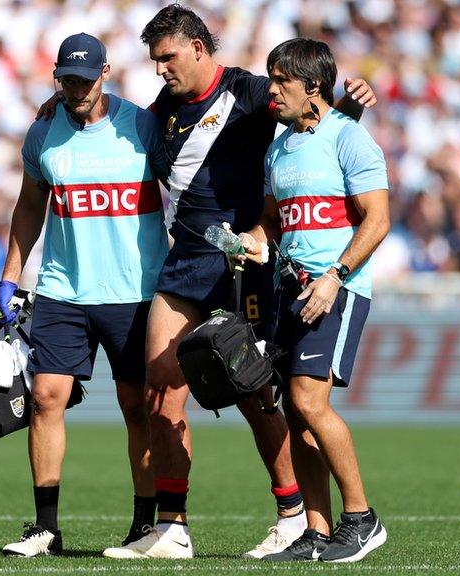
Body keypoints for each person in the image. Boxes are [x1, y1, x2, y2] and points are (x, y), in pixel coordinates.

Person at [100, 4, 378, 560]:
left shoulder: (252, 92)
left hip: (247, 265)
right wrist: (60, 102)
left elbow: (314, 132)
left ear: (199, 48)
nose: (160, 69)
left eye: (168, 57)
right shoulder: (160, 114)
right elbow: (107, 125)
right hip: (186, 267)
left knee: (257, 396)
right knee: (160, 390)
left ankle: (293, 515)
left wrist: (349, 106)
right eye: (155, 60)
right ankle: (172, 528)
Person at [0, 32, 170, 557]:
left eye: (85, 79)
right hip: (61, 288)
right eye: (67, 79)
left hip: (135, 290)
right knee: (46, 397)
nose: (76, 89)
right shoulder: (43, 132)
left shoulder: (142, 125)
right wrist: (10, 277)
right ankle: (45, 528)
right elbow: (29, 207)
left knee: (136, 406)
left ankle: (144, 525)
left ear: (106, 73)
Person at [236, 37, 389, 563]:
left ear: (313, 87)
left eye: (281, 81)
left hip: (335, 288)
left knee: (308, 401)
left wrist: (335, 276)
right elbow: (274, 221)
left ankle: (362, 519)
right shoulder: (279, 148)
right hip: (288, 289)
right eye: (270, 78)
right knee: (295, 413)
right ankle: (318, 532)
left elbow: (378, 219)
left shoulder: (350, 139)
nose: (271, 90)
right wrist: (253, 241)